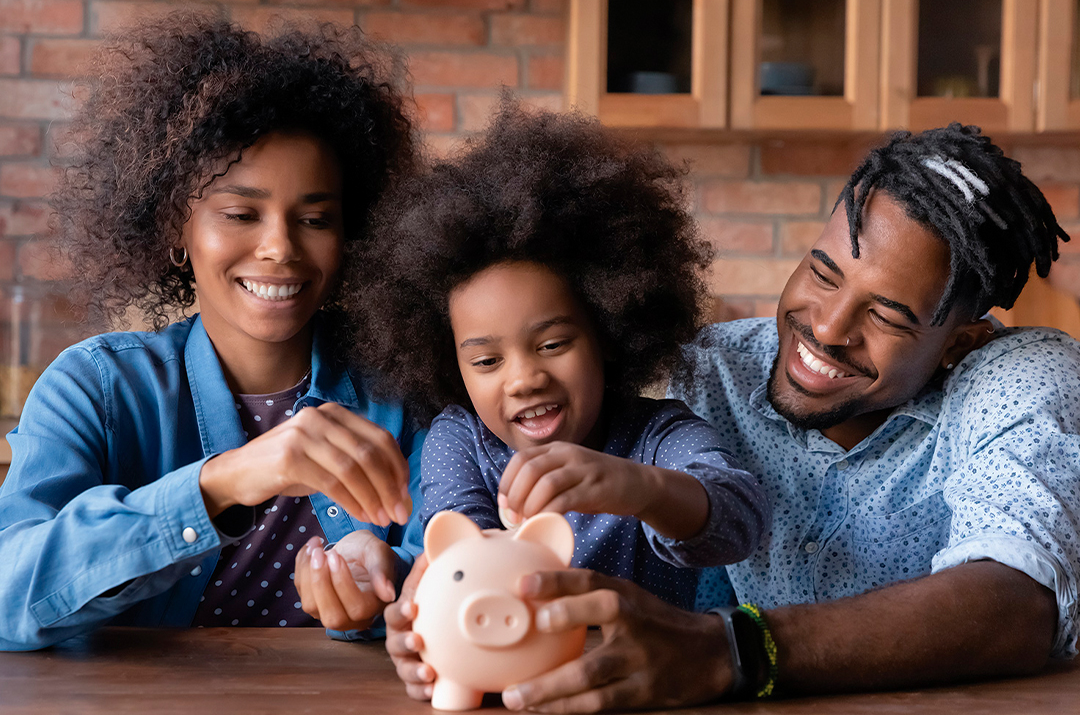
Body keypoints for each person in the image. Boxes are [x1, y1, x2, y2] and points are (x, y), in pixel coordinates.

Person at [386, 123, 1080, 709]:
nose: (827, 329)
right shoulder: (712, 365)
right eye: (824, 273)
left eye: (887, 315)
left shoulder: (1023, 377)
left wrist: (735, 648)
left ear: (962, 337)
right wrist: (421, 594)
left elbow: (1016, 604)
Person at [0, 14, 423, 650]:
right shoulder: (97, 388)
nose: (280, 247)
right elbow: (9, 595)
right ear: (177, 227)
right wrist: (225, 480)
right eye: (240, 213)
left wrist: (394, 585)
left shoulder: (407, 393)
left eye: (315, 218)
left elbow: (461, 571)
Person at [297, 102, 770, 631]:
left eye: (552, 344)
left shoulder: (659, 437)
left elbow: (740, 520)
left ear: (609, 334)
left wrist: (638, 487)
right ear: (451, 365)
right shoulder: (460, 441)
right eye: (487, 360)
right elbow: (459, 550)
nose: (523, 379)